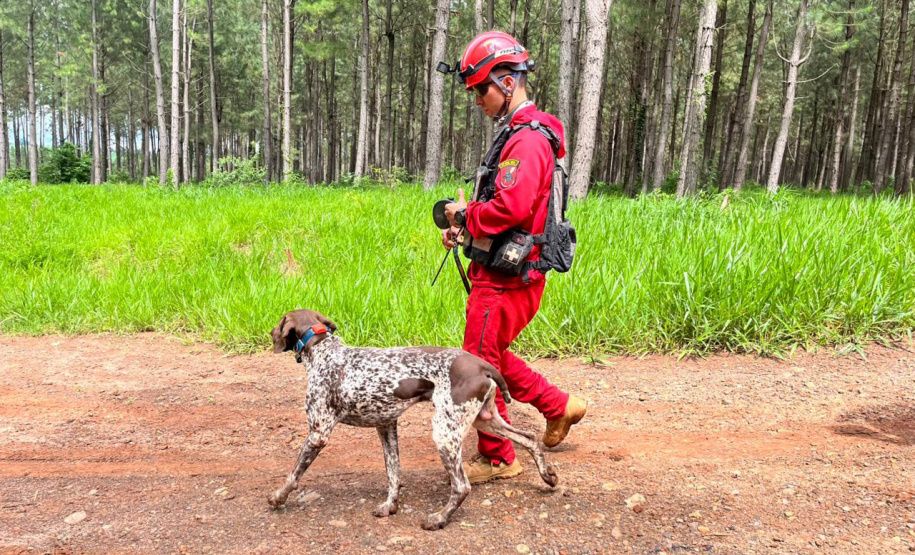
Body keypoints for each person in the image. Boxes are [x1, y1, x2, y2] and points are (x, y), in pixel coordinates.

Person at [439, 31, 587, 484]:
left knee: (475, 366)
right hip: (502, 271)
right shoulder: (518, 135)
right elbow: (506, 211)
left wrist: (468, 212)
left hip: (506, 280)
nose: (477, 99)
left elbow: (512, 208)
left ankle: (499, 456)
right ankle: (558, 405)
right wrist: (464, 229)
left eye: (480, 89)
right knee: (492, 357)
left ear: (506, 82)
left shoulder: (526, 140)